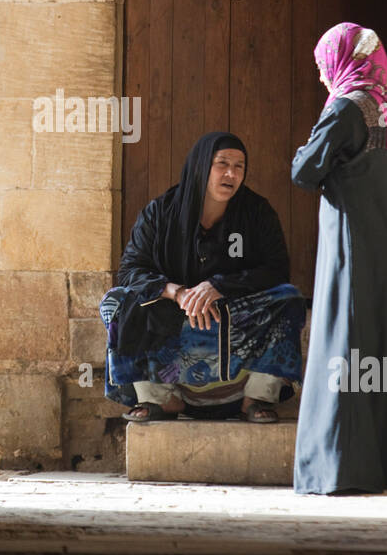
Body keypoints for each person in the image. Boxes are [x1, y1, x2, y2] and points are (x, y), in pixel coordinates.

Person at [100, 130, 306, 423]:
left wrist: (218, 286)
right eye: (222, 164)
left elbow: (276, 269)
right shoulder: (160, 212)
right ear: (200, 166)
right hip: (172, 313)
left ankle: (256, 397)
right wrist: (177, 292)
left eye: (239, 167)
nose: (231, 174)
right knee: (116, 302)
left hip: (235, 314)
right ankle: (160, 398)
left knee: (289, 298)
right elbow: (131, 270)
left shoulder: (256, 212)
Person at [291, 23, 387, 494]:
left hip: (351, 243)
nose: (325, 77)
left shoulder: (348, 108)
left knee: (340, 346)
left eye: (325, 67)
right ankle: (375, 469)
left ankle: (334, 470)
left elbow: (305, 171)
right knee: (375, 349)